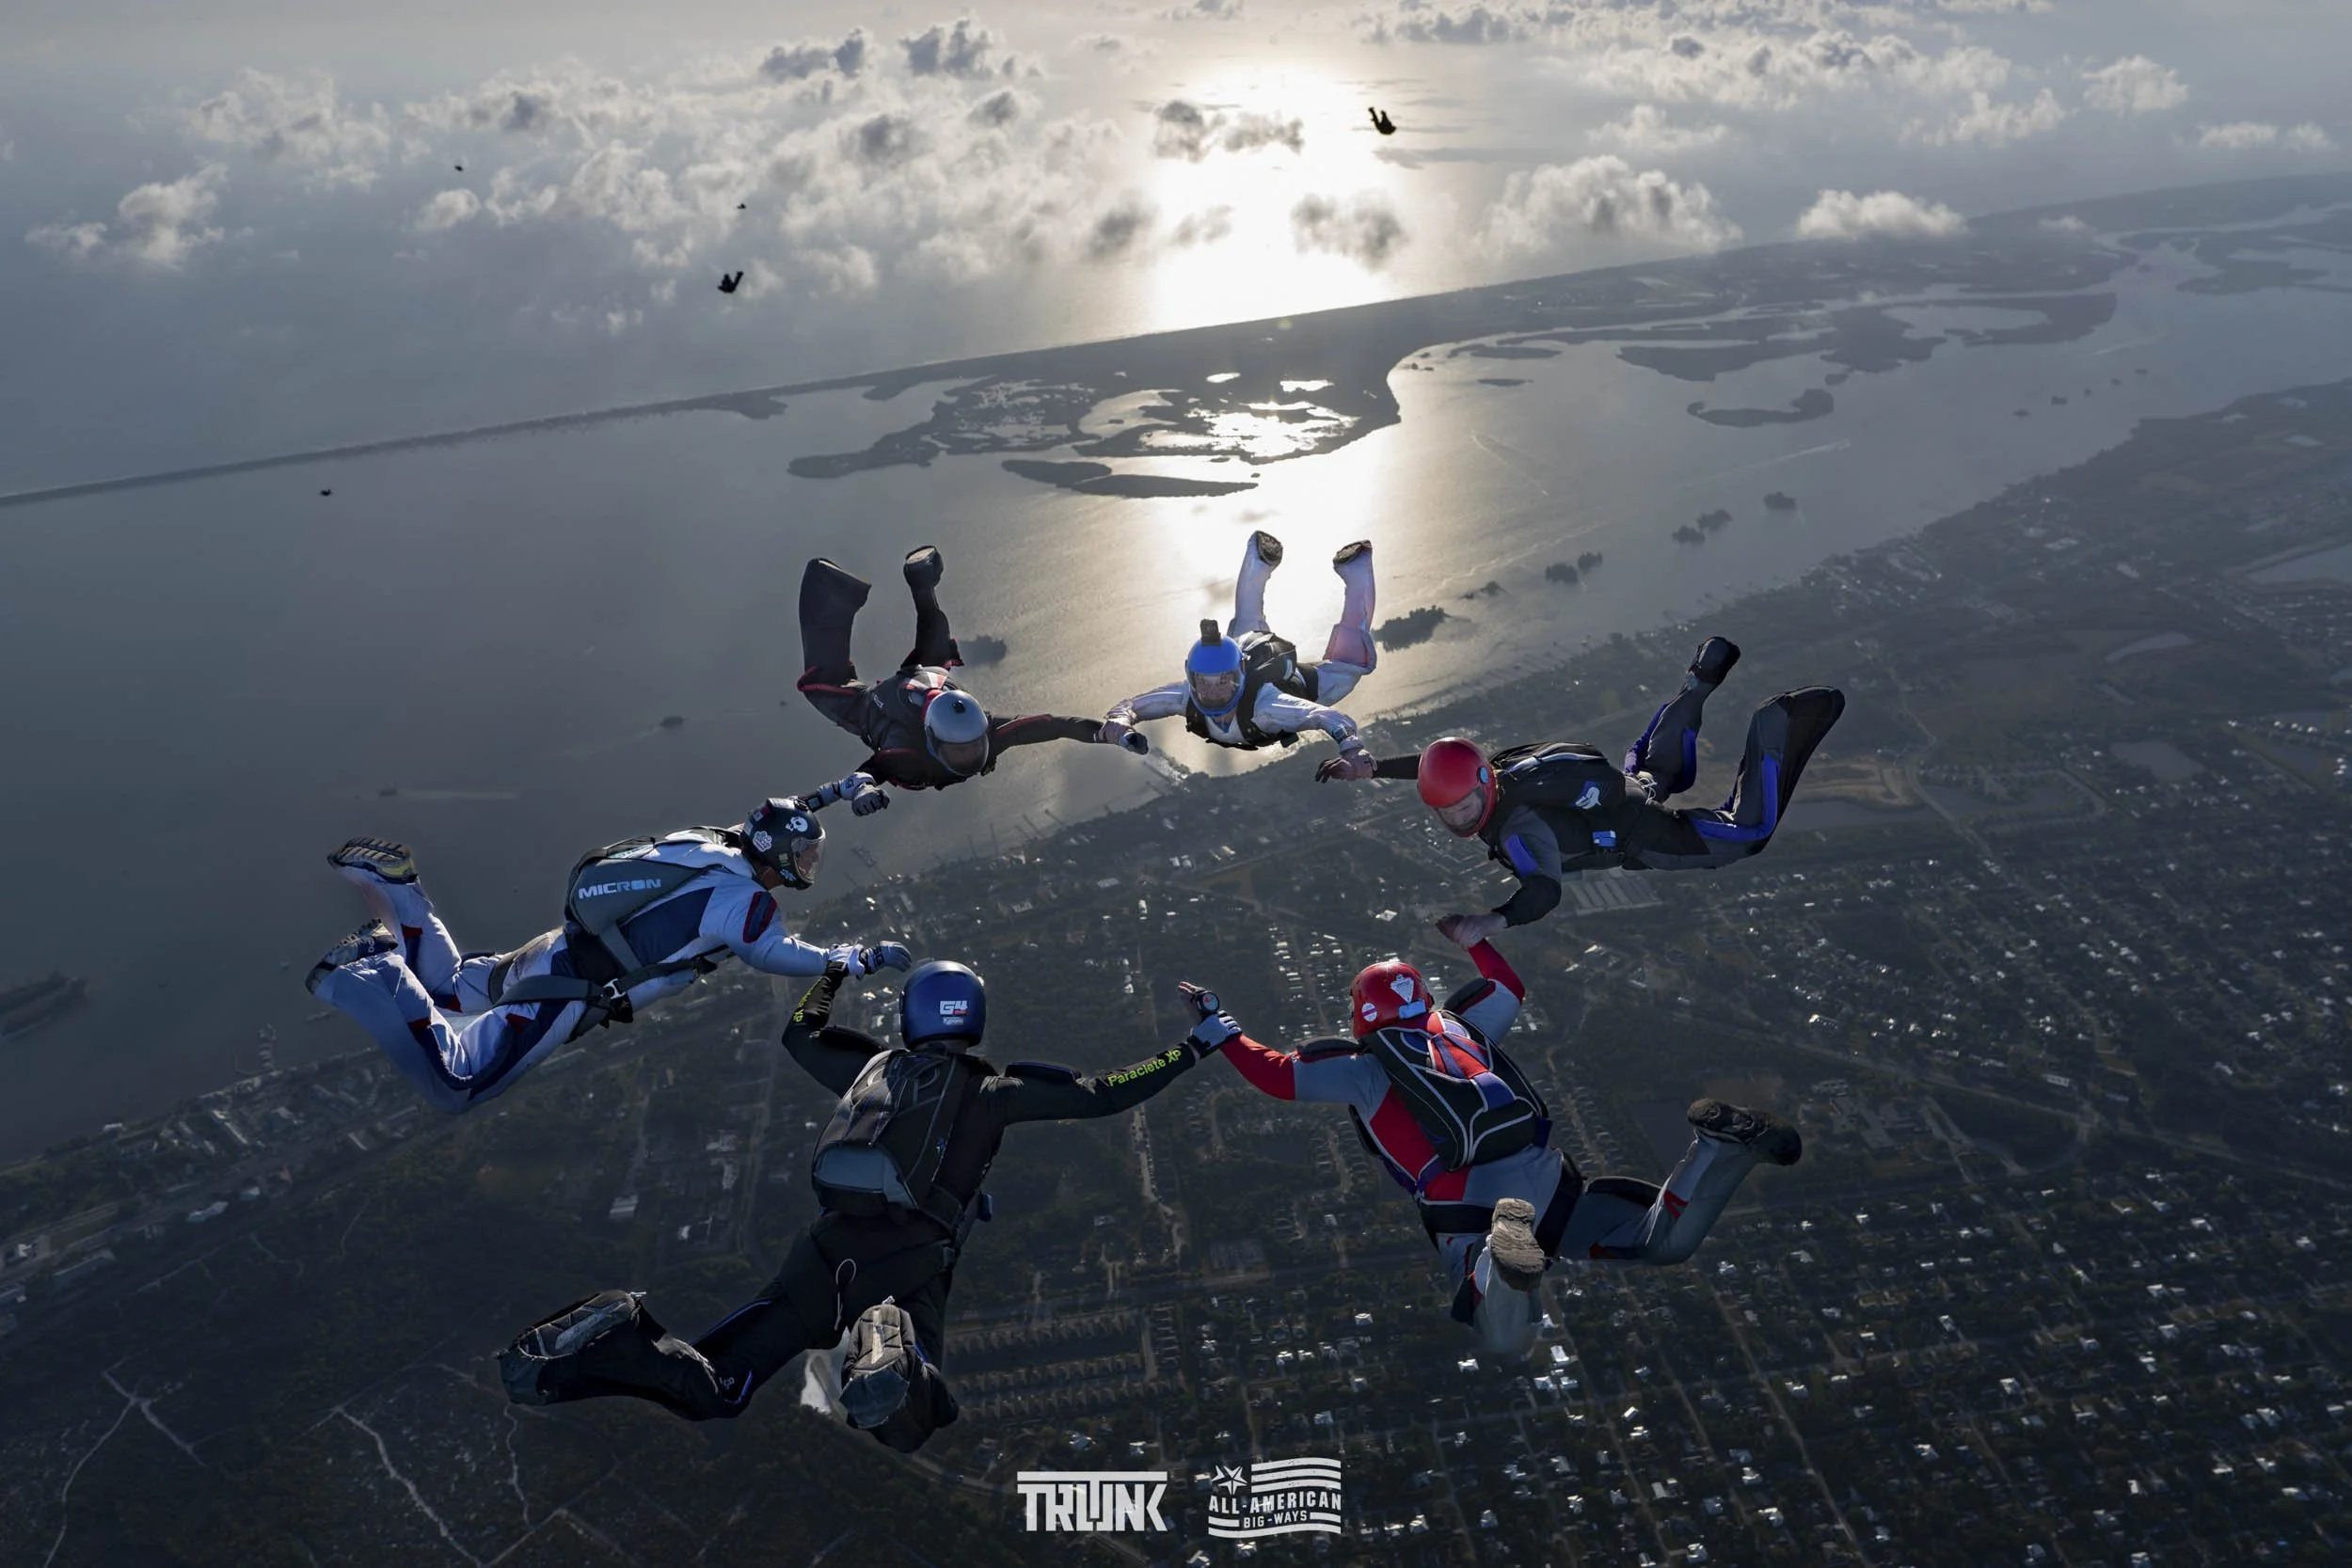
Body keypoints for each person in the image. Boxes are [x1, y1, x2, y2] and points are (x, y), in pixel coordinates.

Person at [500, 958, 1229, 1449]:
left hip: (820, 1252)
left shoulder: (875, 1070)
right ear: (973, 1018)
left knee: (716, 1390)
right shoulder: (993, 1092)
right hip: (909, 1262)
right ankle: (886, 1336)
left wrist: (833, 974)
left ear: (912, 1015)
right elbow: (1108, 1094)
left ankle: (611, 1338)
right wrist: (1195, 1047)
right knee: (912, 1414)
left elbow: (798, 1033)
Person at [1189, 942, 1801, 1356]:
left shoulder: (1363, 1066)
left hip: (1471, 1205)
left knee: (1506, 1335)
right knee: (1660, 1240)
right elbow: (1508, 984)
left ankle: (1497, 1262)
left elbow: (1275, 1074)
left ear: (1361, 1013)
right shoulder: (1461, 1024)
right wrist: (1475, 938)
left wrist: (1221, 1030)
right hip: (1554, 1181)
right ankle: (1721, 1149)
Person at [306, 780, 908, 1115]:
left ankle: (396, 889)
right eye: (802, 857)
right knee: (462, 1082)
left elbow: (788, 810)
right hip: (569, 994)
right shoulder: (745, 903)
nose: (807, 866)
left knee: (446, 987)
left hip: (554, 952)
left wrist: (838, 791)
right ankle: (374, 962)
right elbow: (774, 953)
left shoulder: (715, 842)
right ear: (776, 855)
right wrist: (852, 959)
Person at [1325, 638, 1844, 944]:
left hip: (1639, 834)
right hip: (1620, 789)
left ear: (1485, 786)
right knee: (1652, 766)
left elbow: (1544, 890)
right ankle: (1701, 679)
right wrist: (1371, 771)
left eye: (1466, 806)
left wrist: (1492, 920)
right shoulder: (1496, 769)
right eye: (1450, 812)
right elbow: (1438, 768)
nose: (1461, 817)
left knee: (1749, 835)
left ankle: (1774, 727)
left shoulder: (1517, 833)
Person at [797, 546, 1130, 795]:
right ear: (933, 740)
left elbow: (1055, 726)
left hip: (930, 680)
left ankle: (921, 582)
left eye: (972, 745)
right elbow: (872, 769)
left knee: (936, 649)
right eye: (962, 749)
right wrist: (863, 789)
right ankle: (836, 589)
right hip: (883, 703)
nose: (971, 754)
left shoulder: (989, 734)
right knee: (821, 685)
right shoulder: (904, 750)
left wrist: (1109, 733)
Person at [1102, 531, 1378, 771]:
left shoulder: (1267, 705)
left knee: (1351, 665)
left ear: (1239, 673)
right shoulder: (1186, 695)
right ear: (1192, 678)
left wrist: (1351, 747)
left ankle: (1356, 570)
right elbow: (1131, 706)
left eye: (1223, 682)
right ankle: (1260, 560)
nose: (1213, 693)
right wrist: (1120, 721)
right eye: (1204, 684)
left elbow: (1328, 717)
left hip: (1308, 684)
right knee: (1245, 627)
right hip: (1246, 647)